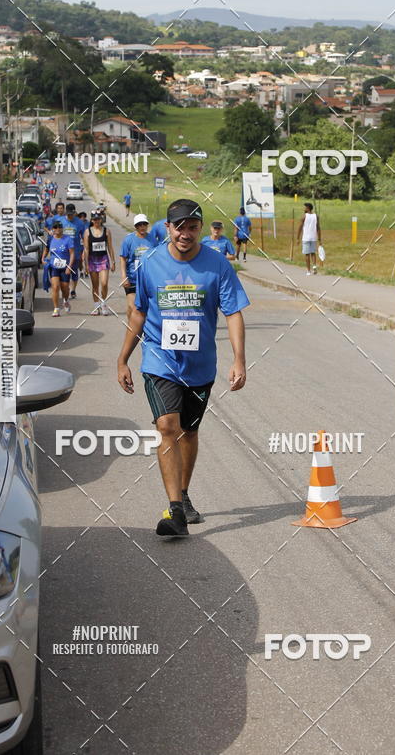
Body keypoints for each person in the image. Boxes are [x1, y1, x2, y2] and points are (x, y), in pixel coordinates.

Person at [117, 198, 249, 537]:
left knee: (189, 431)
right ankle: (175, 511)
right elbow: (139, 313)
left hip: (200, 365)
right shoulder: (150, 263)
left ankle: (184, 494)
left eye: (192, 227)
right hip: (159, 361)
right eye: (179, 227)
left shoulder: (217, 265)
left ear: (200, 229)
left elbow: (233, 312)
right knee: (167, 427)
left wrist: (239, 359)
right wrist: (123, 359)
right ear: (168, 228)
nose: (185, 234)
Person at [119, 214, 155, 326]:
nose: (142, 227)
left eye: (144, 224)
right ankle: (132, 327)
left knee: (145, 308)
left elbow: (156, 259)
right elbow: (123, 258)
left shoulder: (153, 240)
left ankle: (140, 327)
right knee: (133, 307)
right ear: (136, 226)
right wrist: (124, 276)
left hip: (147, 280)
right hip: (132, 279)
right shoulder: (128, 240)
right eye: (139, 225)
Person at [83, 209, 116, 315]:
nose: (97, 221)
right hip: (92, 260)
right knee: (95, 285)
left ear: (101, 219)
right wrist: (86, 264)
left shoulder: (106, 231)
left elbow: (110, 247)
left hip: (103, 260)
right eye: (95, 219)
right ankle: (96, 305)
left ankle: (103, 303)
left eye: (98, 219)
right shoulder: (87, 232)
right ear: (92, 220)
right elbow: (86, 249)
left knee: (104, 283)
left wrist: (113, 262)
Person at [43, 220, 74, 316]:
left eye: (59, 227)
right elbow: (46, 249)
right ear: (53, 229)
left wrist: (69, 267)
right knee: (55, 287)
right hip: (54, 266)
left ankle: (66, 300)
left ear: (62, 228)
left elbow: (72, 254)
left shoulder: (68, 239)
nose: (58, 229)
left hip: (65, 267)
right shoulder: (50, 239)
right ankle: (56, 308)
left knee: (65, 288)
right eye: (55, 227)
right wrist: (43, 258)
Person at [63, 203, 86, 298]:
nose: (70, 216)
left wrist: (84, 251)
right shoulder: (61, 221)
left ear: (74, 213)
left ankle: (73, 290)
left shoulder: (80, 223)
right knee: (64, 273)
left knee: (74, 272)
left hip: (75, 252)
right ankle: (66, 289)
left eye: (71, 214)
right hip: (64, 253)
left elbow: (84, 238)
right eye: (68, 214)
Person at [297, 202, 322, 275]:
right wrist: (319, 239)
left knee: (307, 254)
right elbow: (318, 228)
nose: (304, 209)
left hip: (306, 238)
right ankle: (314, 267)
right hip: (313, 237)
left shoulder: (304, 216)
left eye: (305, 207)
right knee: (313, 253)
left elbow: (300, 228)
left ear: (308, 208)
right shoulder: (316, 216)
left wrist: (298, 238)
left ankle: (308, 271)